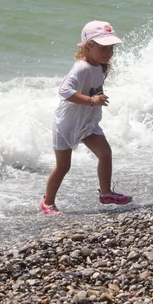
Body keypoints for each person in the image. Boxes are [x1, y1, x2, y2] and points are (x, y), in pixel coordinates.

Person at [40, 20, 133, 215]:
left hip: (87, 123)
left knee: (105, 153)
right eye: (104, 48)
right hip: (67, 124)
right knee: (63, 166)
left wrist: (96, 100)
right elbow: (64, 91)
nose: (109, 53)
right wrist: (91, 100)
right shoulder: (81, 67)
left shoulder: (99, 67)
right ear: (88, 46)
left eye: (111, 48)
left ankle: (106, 193)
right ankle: (47, 202)